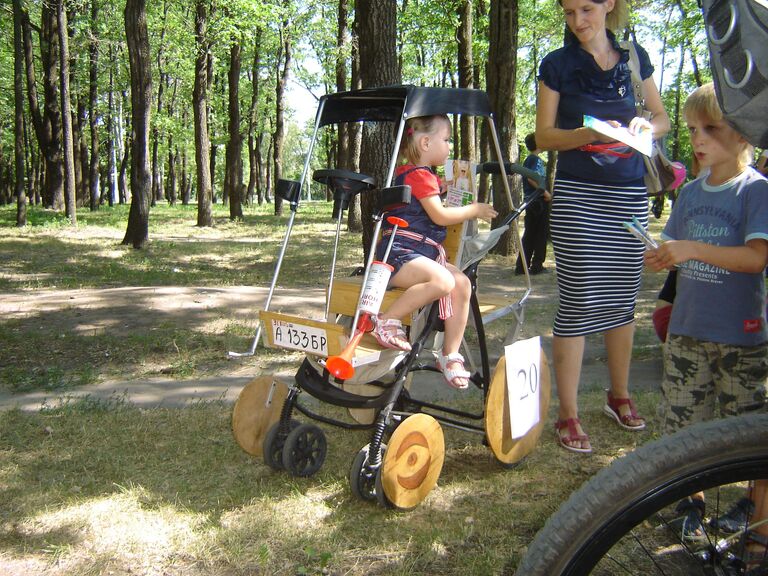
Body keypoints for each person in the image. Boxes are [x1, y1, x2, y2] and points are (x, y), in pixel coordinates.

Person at [535, 0, 670, 453]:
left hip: (629, 195)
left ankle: (619, 396)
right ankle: (568, 415)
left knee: (622, 295)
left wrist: (641, 126)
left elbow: (662, 117)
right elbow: (544, 135)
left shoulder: (634, 58)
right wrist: (591, 135)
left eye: (587, 9)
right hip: (578, 196)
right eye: (569, 12)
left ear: (609, 4)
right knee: (578, 299)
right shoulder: (557, 64)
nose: (578, 22)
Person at [644, 82, 768, 545]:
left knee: (749, 434)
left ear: (744, 133)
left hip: (741, 336)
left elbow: (756, 258)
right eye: (694, 129)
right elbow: (673, 250)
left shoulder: (755, 191)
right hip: (687, 332)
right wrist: (659, 254)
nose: (697, 139)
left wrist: (691, 248)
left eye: (710, 129)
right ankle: (690, 504)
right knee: (682, 427)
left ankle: (755, 515)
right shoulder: (691, 194)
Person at [371, 114, 497, 389]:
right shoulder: (419, 177)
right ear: (426, 142)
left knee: (462, 283)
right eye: (447, 139)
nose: (450, 146)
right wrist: (474, 210)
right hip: (400, 255)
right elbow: (439, 216)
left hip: (419, 253)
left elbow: (432, 194)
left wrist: (448, 187)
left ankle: (450, 353)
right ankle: (386, 321)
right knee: (444, 281)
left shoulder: (416, 175)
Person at [515, 133, 551, 276]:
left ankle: (527, 266)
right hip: (536, 201)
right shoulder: (533, 159)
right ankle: (532, 266)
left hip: (534, 200)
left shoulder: (534, 160)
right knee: (536, 234)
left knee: (533, 234)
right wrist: (545, 193)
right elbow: (531, 179)